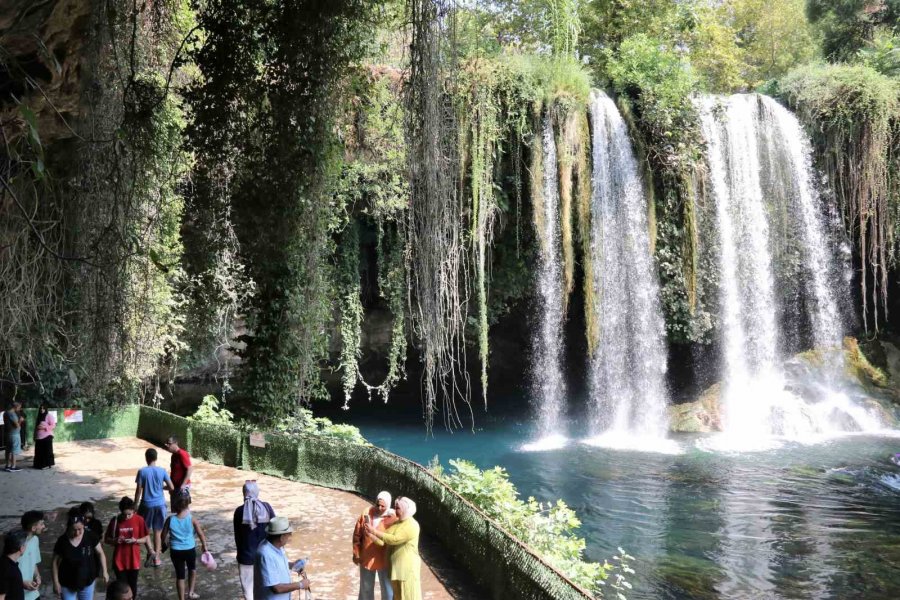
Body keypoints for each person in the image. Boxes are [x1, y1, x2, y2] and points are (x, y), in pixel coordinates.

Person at [365, 497, 421, 600]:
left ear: (405, 509)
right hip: (395, 568)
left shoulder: (412, 525)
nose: (395, 511)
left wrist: (374, 531)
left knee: (408, 596)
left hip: (407, 569)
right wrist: (370, 535)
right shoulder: (397, 523)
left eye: (398, 508)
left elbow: (394, 539)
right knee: (397, 596)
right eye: (395, 508)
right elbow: (383, 541)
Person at [233, 481, 275, 600]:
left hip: (246, 558)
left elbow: (238, 536)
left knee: (248, 592)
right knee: (265, 590)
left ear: (244, 494)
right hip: (265, 557)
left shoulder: (239, 512)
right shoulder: (266, 507)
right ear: (257, 492)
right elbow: (275, 530)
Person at [161, 494, 208, 600]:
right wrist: (204, 545)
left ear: (175, 506)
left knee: (180, 575)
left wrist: (164, 544)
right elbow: (200, 533)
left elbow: (162, 535)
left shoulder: (170, 519)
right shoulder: (192, 519)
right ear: (187, 506)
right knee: (192, 570)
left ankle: (181, 598)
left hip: (176, 551)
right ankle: (191, 593)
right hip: (189, 549)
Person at [52, 513, 109, 600]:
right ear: (68, 528)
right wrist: (56, 582)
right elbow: (54, 562)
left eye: (80, 529)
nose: (77, 533)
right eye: (73, 530)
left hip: (87, 581)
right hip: (67, 582)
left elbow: (100, 553)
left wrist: (105, 571)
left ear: (83, 526)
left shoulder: (90, 536)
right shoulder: (62, 541)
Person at [353, 491, 397, 600]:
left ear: (388, 505)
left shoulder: (393, 518)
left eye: (383, 506)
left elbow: (394, 539)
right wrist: (356, 553)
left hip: (385, 560)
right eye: (378, 504)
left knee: (387, 590)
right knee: (366, 589)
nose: (380, 508)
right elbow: (357, 535)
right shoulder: (366, 513)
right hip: (367, 558)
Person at [253, 517, 310, 600]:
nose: (289, 537)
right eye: (288, 535)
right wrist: (300, 584)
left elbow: (275, 566)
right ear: (282, 537)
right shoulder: (265, 554)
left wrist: (292, 565)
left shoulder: (277, 546)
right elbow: (276, 588)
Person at [134, 448, 174, 567]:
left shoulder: (142, 472)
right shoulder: (162, 471)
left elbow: (138, 491)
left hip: (146, 505)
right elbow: (171, 487)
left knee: (144, 531)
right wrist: (161, 488)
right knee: (157, 532)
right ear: (156, 458)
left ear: (146, 458)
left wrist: (135, 505)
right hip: (160, 505)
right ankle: (156, 559)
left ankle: (150, 551)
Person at [104, 497, 148, 599]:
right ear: (120, 511)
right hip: (119, 560)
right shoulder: (115, 521)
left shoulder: (139, 520)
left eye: (129, 514)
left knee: (133, 585)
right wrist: (115, 541)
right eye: (124, 514)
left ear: (133, 511)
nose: (127, 517)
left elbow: (146, 538)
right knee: (121, 588)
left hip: (134, 559)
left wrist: (135, 540)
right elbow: (106, 539)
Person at [18, 511, 45, 600]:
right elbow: (7, 570)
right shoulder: (15, 544)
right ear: (33, 528)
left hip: (33, 593)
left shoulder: (35, 540)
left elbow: (33, 563)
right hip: (18, 594)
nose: (43, 527)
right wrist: (21, 583)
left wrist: (37, 576)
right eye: (41, 524)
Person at [164, 436, 193, 504]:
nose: (167, 445)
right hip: (176, 487)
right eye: (166, 443)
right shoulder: (173, 455)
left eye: (169, 443)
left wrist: (183, 485)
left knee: (183, 509)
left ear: (175, 443)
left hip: (182, 487)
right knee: (176, 509)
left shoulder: (182, 454)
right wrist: (171, 487)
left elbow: (190, 469)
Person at [0, 530, 28, 600]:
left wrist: (22, 584)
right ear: (21, 548)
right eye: (25, 545)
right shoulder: (6, 568)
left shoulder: (8, 563)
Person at [32, 404, 56, 469]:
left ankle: (47, 465)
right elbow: (36, 427)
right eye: (41, 409)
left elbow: (53, 425)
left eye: (43, 408)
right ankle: (38, 465)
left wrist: (45, 427)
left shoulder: (49, 416)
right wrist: (34, 436)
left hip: (47, 436)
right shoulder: (39, 416)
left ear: (46, 409)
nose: (42, 410)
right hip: (39, 437)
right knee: (39, 451)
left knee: (47, 451)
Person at [3, 402, 22, 472]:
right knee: (14, 451)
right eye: (19, 407)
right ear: (16, 407)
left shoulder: (6, 413)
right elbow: (17, 425)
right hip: (14, 434)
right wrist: (20, 420)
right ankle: (13, 466)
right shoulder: (12, 414)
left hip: (8, 434)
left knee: (8, 450)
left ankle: (7, 465)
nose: (19, 409)